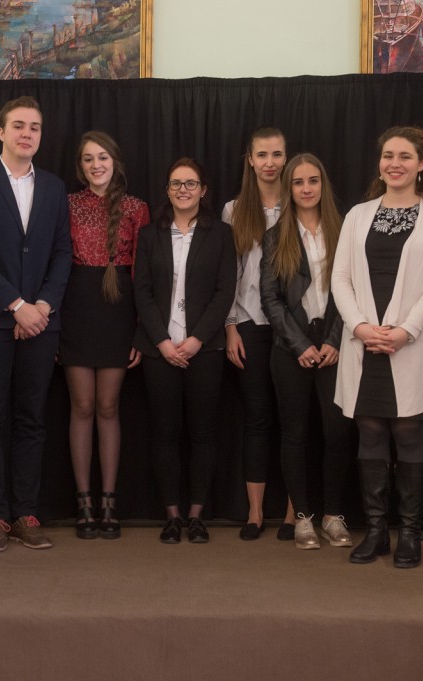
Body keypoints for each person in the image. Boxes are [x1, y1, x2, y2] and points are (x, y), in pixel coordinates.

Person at [332, 126, 423, 569]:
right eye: (388, 156)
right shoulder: (358, 214)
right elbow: (340, 278)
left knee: (408, 433)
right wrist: (361, 327)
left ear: (422, 164)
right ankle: (376, 532)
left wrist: (406, 330)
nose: (395, 164)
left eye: (405, 156)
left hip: (411, 343)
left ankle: (410, 533)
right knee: (370, 433)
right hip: (365, 342)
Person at [0, 96, 72, 552]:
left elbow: (62, 252)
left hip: (41, 322)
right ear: (1, 132)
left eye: (34, 127)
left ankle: (26, 513)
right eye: (19, 125)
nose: (27, 133)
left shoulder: (54, 187)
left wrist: (41, 306)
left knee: (31, 419)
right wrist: (15, 304)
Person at [134, 158, 236, 544]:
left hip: (204, 349)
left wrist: (196, 340)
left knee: (203, 433)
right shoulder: (150, 235)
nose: (183, 190)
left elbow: (225, 292)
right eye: (176, 183)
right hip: (159, 349)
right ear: (167, 190)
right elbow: (142, 292)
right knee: (164, 433)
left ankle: (196, 515)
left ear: (203, 190)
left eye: (191, 183)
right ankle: (172, 516)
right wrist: (162, 342)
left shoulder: (221, 234)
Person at [259, 153, 354, 550]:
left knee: (337, 433)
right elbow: (270, 298)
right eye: (298, 182)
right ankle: (302, 518)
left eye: (313, 180)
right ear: (289, 188)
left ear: (323, 184)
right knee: (294, 434)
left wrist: (334, 340)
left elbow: (354, 290)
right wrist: (299, 344)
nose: (306, 188)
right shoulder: (275, 235)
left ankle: (333, 515)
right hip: (291, 345)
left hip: (335, 343)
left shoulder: (344, 228)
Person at [60, 131, 149, 540]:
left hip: (118, 312)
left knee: (108, 406)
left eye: (102, 158)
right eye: (88, 159)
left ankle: (109, 501)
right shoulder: (68, 204)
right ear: (81, 167)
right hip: (77, 309)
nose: (96, 165)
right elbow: (58, 264)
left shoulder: (136, 208)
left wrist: (140, 330)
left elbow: (142, 274)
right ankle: (84, 502)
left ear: (115, 161)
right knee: (81, 405)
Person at [222, 127, 297, 541]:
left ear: (286, 158)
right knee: (257, 419)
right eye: (262, 155)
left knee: (293, 420)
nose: (270, 162)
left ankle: (294, 512)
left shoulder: (300, 202)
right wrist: (230, 326)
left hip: (292, 327)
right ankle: (254, 513)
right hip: (250, 324)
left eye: (277, 154)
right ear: (250, 160)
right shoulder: (234, 210)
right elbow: (228, 274)